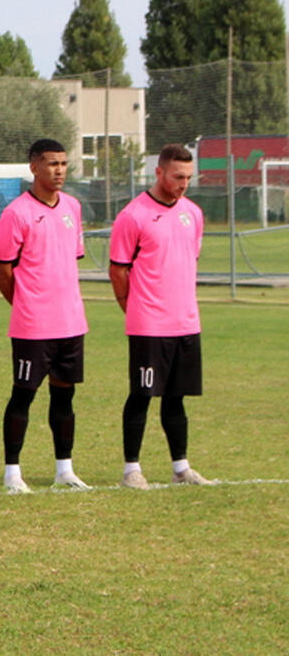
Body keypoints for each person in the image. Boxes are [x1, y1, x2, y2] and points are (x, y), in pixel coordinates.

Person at [109, 144, 216, 489]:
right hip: (149, 324)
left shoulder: (193, 213)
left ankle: (181, 467)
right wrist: (132, 306)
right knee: (141, 395)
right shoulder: (133, 215)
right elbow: (118, 270)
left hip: (185, 322)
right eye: (177, 176)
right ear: (159, 172)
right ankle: (131, 470)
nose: (183, 183)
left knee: (176, 397)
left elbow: (189, 259)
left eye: (188, 177)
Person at [0, 139, 91, 494]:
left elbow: (68, 259)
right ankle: (12, 473)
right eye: (52, 163)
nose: (59, 170)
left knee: (64, 398)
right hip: (33, 325)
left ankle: (65, 470)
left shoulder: (72, 207)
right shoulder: (16, 213)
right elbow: (2, 267)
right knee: (23, 396)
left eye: (63, 163)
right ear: (34, 167)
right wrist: (22, 303)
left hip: (71, 322)